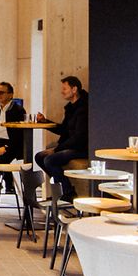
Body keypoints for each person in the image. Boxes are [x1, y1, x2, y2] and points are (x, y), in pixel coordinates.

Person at [35, 75, 91, 204]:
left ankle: (67, 193)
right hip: (72, 145)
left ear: (74, 89)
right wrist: (45, 122)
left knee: (50, 159)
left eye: (64, 89)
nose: (62, 92)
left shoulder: (84, 108)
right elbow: (64, 130)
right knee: (39, 156)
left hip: (82, 147)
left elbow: (79, 137)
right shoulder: (71, 107)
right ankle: (61, 190)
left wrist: (57, 149)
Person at [0, 82, 29, 197]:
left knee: (1, 161)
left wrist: (5, 147)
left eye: (1, 92)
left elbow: (19, 135)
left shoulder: (18, 110)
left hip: (11, 143)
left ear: (10, 95)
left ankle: (9, 185)